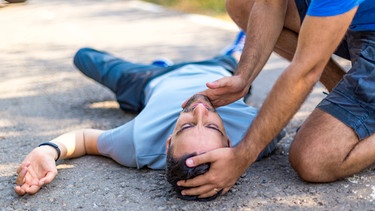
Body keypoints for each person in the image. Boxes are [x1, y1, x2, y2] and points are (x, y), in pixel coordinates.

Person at [14, 35, 285, 201]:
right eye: (213, 125)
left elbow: (85, 139)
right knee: (242, 68)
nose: (200, 109)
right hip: (222, 74)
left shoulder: (138, 144)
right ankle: (235, 51)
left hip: (149, 81)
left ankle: (161, 66)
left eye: (187, 125)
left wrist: (48, 150)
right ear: (228, 141)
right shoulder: (256, 134)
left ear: (168, 143)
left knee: (84, 56)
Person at [178, 0, 375, 199]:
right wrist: (244, 76)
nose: (201, 112)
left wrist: (243, 155)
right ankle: (348, 93)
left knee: (314, 159)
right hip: (357, 19)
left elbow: (305, 72)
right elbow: (268, 3)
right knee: (242, 4)